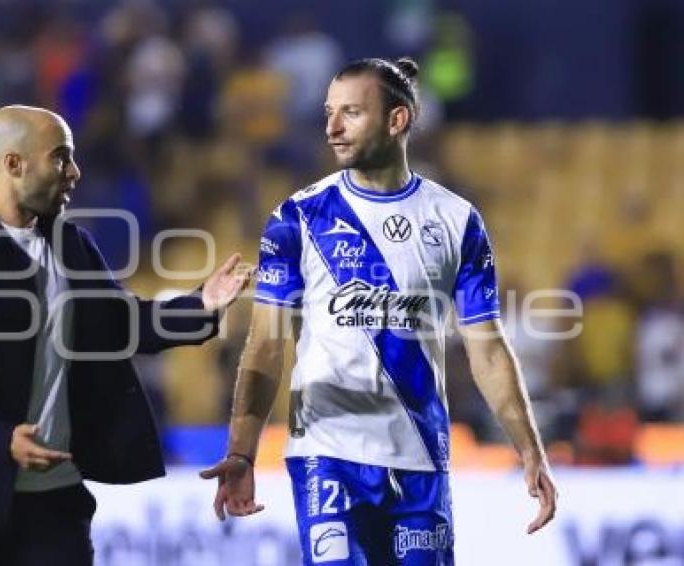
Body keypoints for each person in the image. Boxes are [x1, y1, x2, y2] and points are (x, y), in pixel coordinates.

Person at [201, 58, 557, 564]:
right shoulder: (297, 217)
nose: (332, 127)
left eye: (350, 112)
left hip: (421, 459)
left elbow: (489, 349)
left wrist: (529, 449)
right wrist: (241, 452)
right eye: (328, 112)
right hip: (327, 455)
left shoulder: (456, 221)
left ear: (397, 120)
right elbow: (264, 346)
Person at [0, 105, 250, 565]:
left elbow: (123, 325)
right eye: (61, 158)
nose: (75, 173)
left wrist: (200, 305)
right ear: (13, 164)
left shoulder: (73, 246)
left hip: (55, 506)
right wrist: (0, 438)